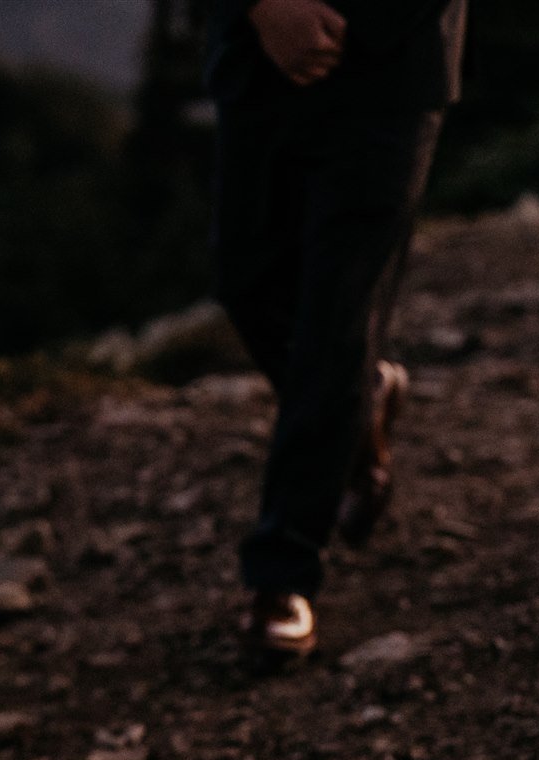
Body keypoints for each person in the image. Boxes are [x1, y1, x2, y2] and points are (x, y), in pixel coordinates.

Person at [205, 0, 468, 668]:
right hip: (260, 62)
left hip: (391, 64)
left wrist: (352, 25)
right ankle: (361, 401)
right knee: (248, 286)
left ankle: (282, 575)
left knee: (336, 321)